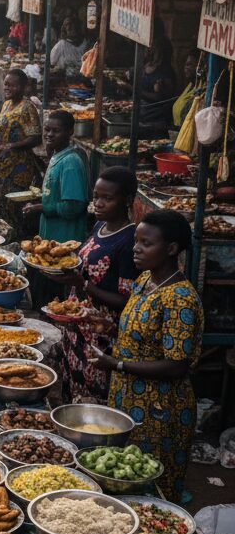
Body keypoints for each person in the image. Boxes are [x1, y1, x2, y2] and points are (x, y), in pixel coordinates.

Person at [91, 210, 204, 502]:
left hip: (159, 408)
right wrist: (110, 328)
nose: (136, 249)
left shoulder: (180, 299)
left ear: (171, 249)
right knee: (120, 472)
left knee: (149, 484)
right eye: (136, 241)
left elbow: (177, 365)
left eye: (146, 243)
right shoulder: (144, 281)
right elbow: (142, 334)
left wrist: (117, 364)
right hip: (127, 395)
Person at [57, 167, 138, 405]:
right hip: (77, 327)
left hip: (101, 335)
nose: (99, 204)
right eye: (96, 197)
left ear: (128, 200)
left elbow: (127, 301)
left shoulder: (130, 241)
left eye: (107, 198)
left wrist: (83, 284)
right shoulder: (99, 226)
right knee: (72, 390)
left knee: (92, 399)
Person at [23, 110, 89, 243]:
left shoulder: (70, 162)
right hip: (51, 234)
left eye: (56, 131)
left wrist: (41, 207)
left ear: (70, 132)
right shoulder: (57, 155)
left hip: (64, 238)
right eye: (47, 130)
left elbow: (73, 206)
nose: (49, 134)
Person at [0, 68, 42, 191]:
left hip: (19, 166)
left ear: (23, 88)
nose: (7, 88)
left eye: (12, 85)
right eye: (6, 84)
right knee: (3, 197)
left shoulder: (27, 107)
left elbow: (36, 138)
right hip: (2, 163)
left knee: (16, 198)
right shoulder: (6, 104)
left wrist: (11, 146)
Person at [173, 51, 200, 129]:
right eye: (185, 65)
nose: (185, 68)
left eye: (189, 64)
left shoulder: (201, 90)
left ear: (198, 67)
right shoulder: (190, 85)